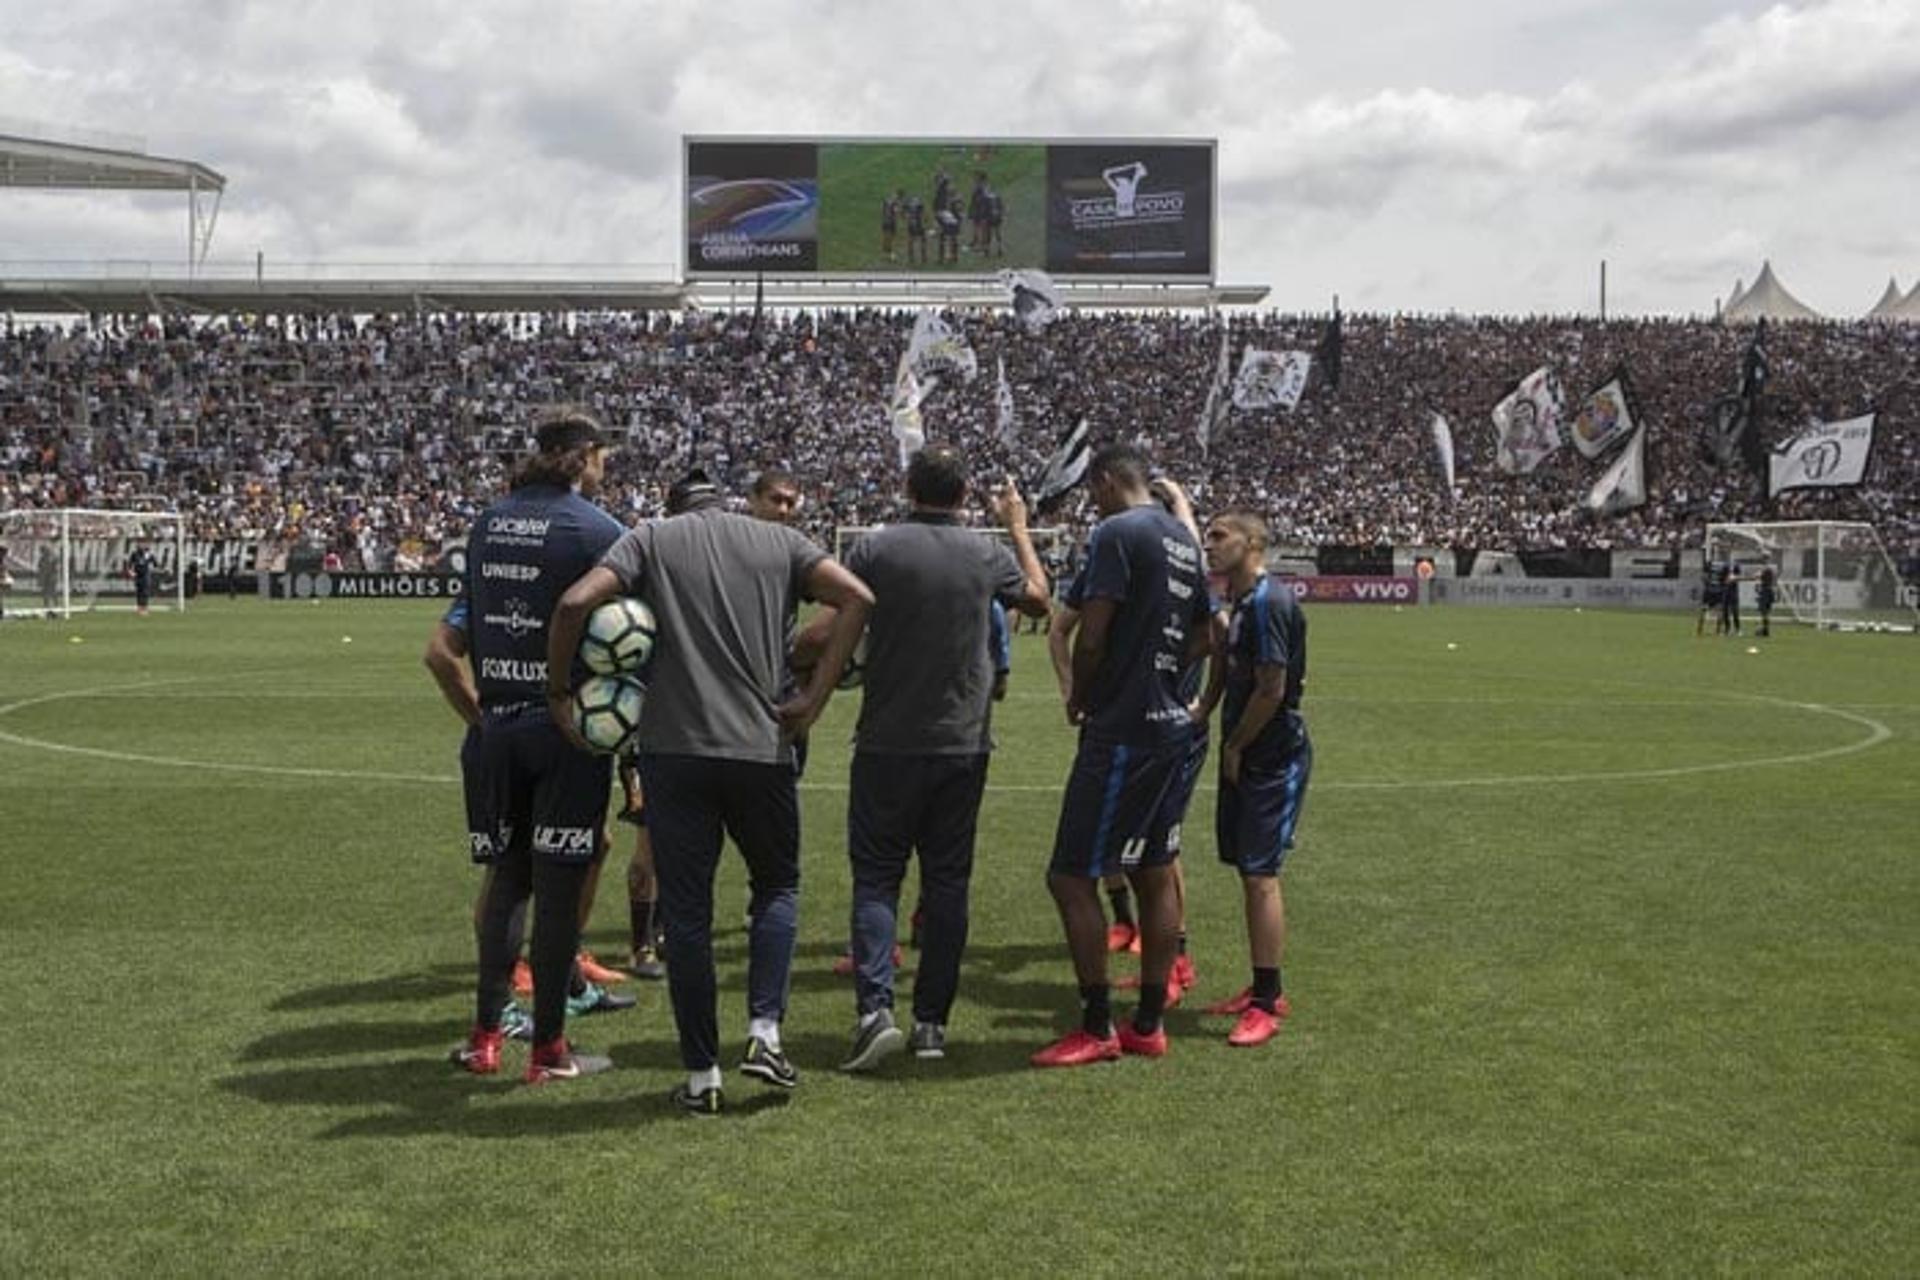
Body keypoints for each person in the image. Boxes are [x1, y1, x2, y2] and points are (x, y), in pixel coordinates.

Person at [547, 468, 873, 1116]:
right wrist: (814, 696)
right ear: (728, 504)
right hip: (763, 746)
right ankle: (765, 1034)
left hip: (675, 752)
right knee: (776, 887)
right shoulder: (779, 542)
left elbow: (574, 603)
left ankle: (702, 1077)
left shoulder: (651, 538)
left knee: (689, 915)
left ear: (673, 507)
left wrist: (560, 691)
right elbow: (859, 596)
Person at [830, 450, 1050, 1071]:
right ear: (965, 494)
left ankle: (875, 1011)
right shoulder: (986, 554)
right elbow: (1039, 599)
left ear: (908, 486)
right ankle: (932, 1024)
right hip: (962, 743)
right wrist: (1016, 527)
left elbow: (834, 623)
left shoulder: (875, 548)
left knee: (876, 878)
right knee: (947, 882)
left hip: (886, 740)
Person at [449, 406, 631, 1085]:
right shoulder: (597, 530)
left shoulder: (488, 523)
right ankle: (549, 1048)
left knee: (508, 884)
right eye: (602, 455)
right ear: (584, 455)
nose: (605, 465)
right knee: (558, 890)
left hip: (497, 724)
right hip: (566, 730)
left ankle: (484, 1038)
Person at [1032, 444, 1213, 1068]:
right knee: (1156, 867)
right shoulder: (1186, 540)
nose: (1090, 501)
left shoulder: (1117, 531)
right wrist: (1166, 678)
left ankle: (1096, 1024)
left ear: (1109, 482)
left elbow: (1092, 632)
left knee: (1070, 875)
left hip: (1123, 730)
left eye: (1092, 489)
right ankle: (1149, 1022)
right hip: (1170, 727)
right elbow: (1207, 633)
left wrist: (1084, 695)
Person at [1197, 511, 1311, 1047]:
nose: (1209, 543)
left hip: (1271, 755)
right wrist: (1203, 713)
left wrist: (1237, 745)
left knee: (1262, 873)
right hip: (1248, 751)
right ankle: (1262, 985)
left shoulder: (1268, 603)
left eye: (1220, 535)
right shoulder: (1242, 603)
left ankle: (1268, 1001)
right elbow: (1228, 667)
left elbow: (1272, 687)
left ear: (1253, 542)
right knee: (1248, 869)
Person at [127, 543, 156, 615]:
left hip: (145, 575)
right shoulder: (134, 554)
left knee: (145, 592)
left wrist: (152, 560)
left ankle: (145, 607)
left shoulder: (148, 554)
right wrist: (131, 572)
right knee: (139, 592)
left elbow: (155, 563)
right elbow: (130, 563)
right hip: (137, 575)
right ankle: (139, 607)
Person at [1756, 562, 1777, 637]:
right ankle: (1765, 630)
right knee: (1767, 613)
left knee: (1764, 613)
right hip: (1769, 592)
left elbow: (1758, 577)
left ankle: (1765, 630)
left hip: (1765, 593)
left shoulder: (1765, 572)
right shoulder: (1770, 571)